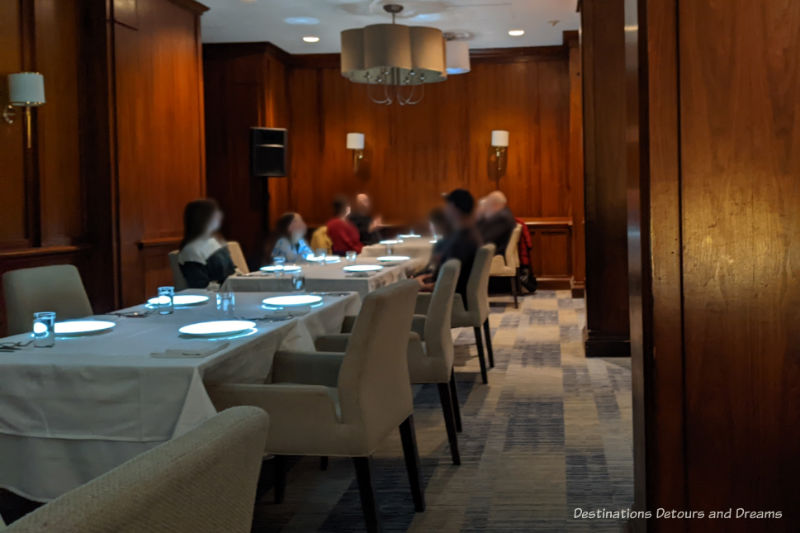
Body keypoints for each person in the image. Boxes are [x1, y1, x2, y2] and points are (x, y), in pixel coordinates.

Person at [416, 189, 481, 298]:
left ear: (454, 208)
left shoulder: (461, 242)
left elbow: (449, 283)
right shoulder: (470, 234)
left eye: (447, 205)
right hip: (457, 296)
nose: (445, 209)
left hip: (449, 300)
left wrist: (418, 285)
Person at [178, 199, 236, 289]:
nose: (219, 215)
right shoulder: (191, 250)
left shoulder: (215, 242)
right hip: (215, 297)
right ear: (201, 218)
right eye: (215, 213)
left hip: (231, 291)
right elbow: (200, 285)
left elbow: (232, 271)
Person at [476, 190, 517, 256]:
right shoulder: (505, 213)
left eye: (487, 205)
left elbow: (485, 239)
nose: (486, 209)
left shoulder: (501, 219)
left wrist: (479, 217)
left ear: (494, 205)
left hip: (493, 256)